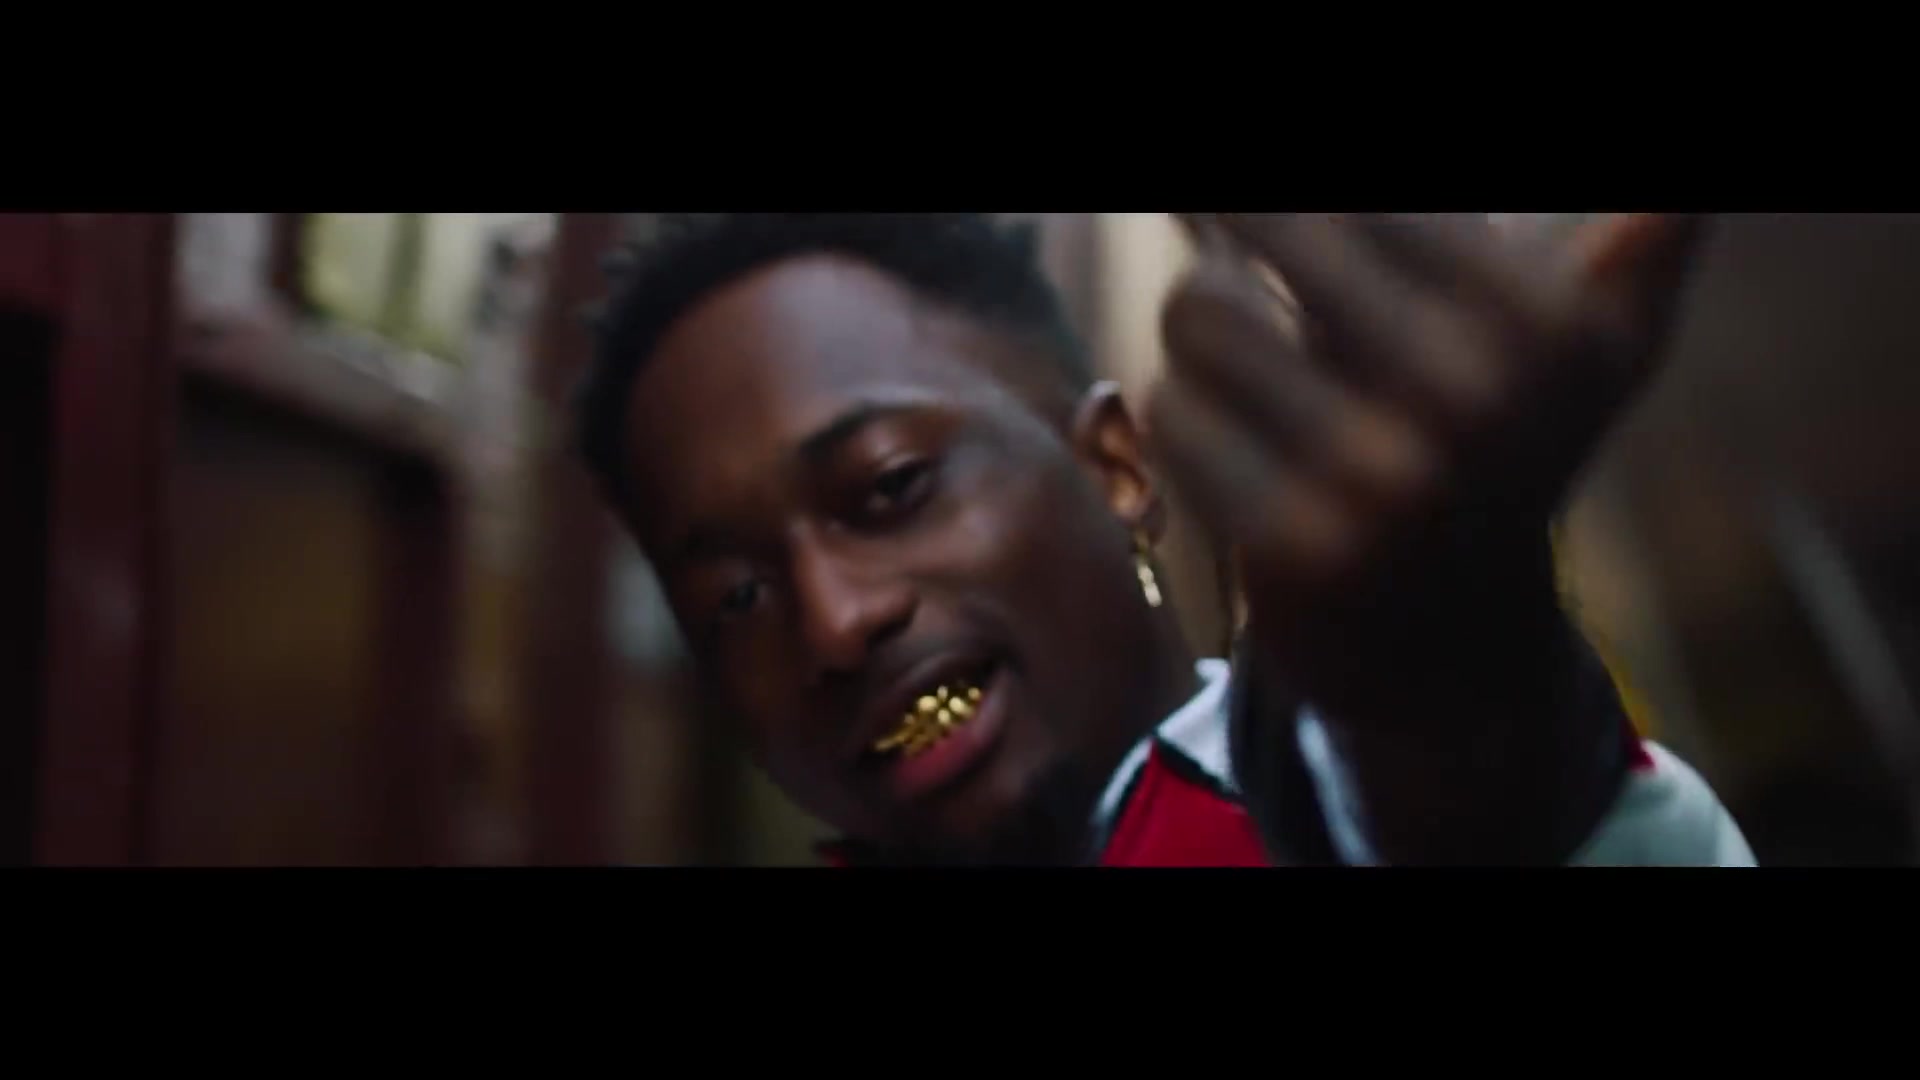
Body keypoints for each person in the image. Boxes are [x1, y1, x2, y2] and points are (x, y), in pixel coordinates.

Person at [575, 212, 1754, 866]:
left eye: (890, 487)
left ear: (1116, 469)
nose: (834, 620)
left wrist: (1461, 711)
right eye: (735, 600)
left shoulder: (1377, 798)